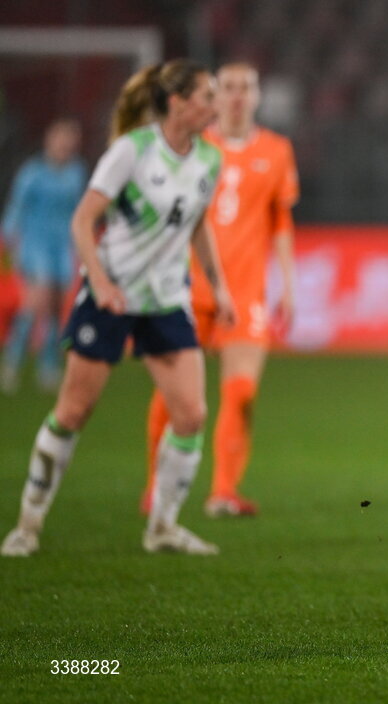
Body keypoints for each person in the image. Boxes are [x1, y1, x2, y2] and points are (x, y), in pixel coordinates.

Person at [1, 59, 234, 557]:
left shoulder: (209, 161)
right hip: (113, 294)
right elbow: (84, 222)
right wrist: (101, 282)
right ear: (178, 103)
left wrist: (219, 286)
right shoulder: (132, 151)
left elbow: (197, 225)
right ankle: (27, 524)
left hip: (166, 300)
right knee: (74, 410)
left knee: (191, 414)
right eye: (207, 96)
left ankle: (163, 528)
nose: (215, 106)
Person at [140, 62, 298, 518]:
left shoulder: (276, 149)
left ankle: (222, 491)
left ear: (257, 95)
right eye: (227, 87)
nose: (236, 95)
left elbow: (281, 220)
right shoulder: (193, 146)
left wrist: (287, 283)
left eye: (245, 87)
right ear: (214, 95)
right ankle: (155, 485)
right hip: (187, 285)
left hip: (246, 290)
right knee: (174, 394)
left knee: (242, 393)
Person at [1, 118, 86, 393]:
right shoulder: (33, 172)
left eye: (69, 140)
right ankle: (11, 362)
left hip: (63, 244)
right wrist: (10, 242)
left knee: (57, 306)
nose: (64, 145)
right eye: (60, 138)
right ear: (49, 140)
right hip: (35, 243)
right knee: (35, 301)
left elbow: (80, 210)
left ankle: (48, 365)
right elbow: (16, 207)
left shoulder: (75, 173)